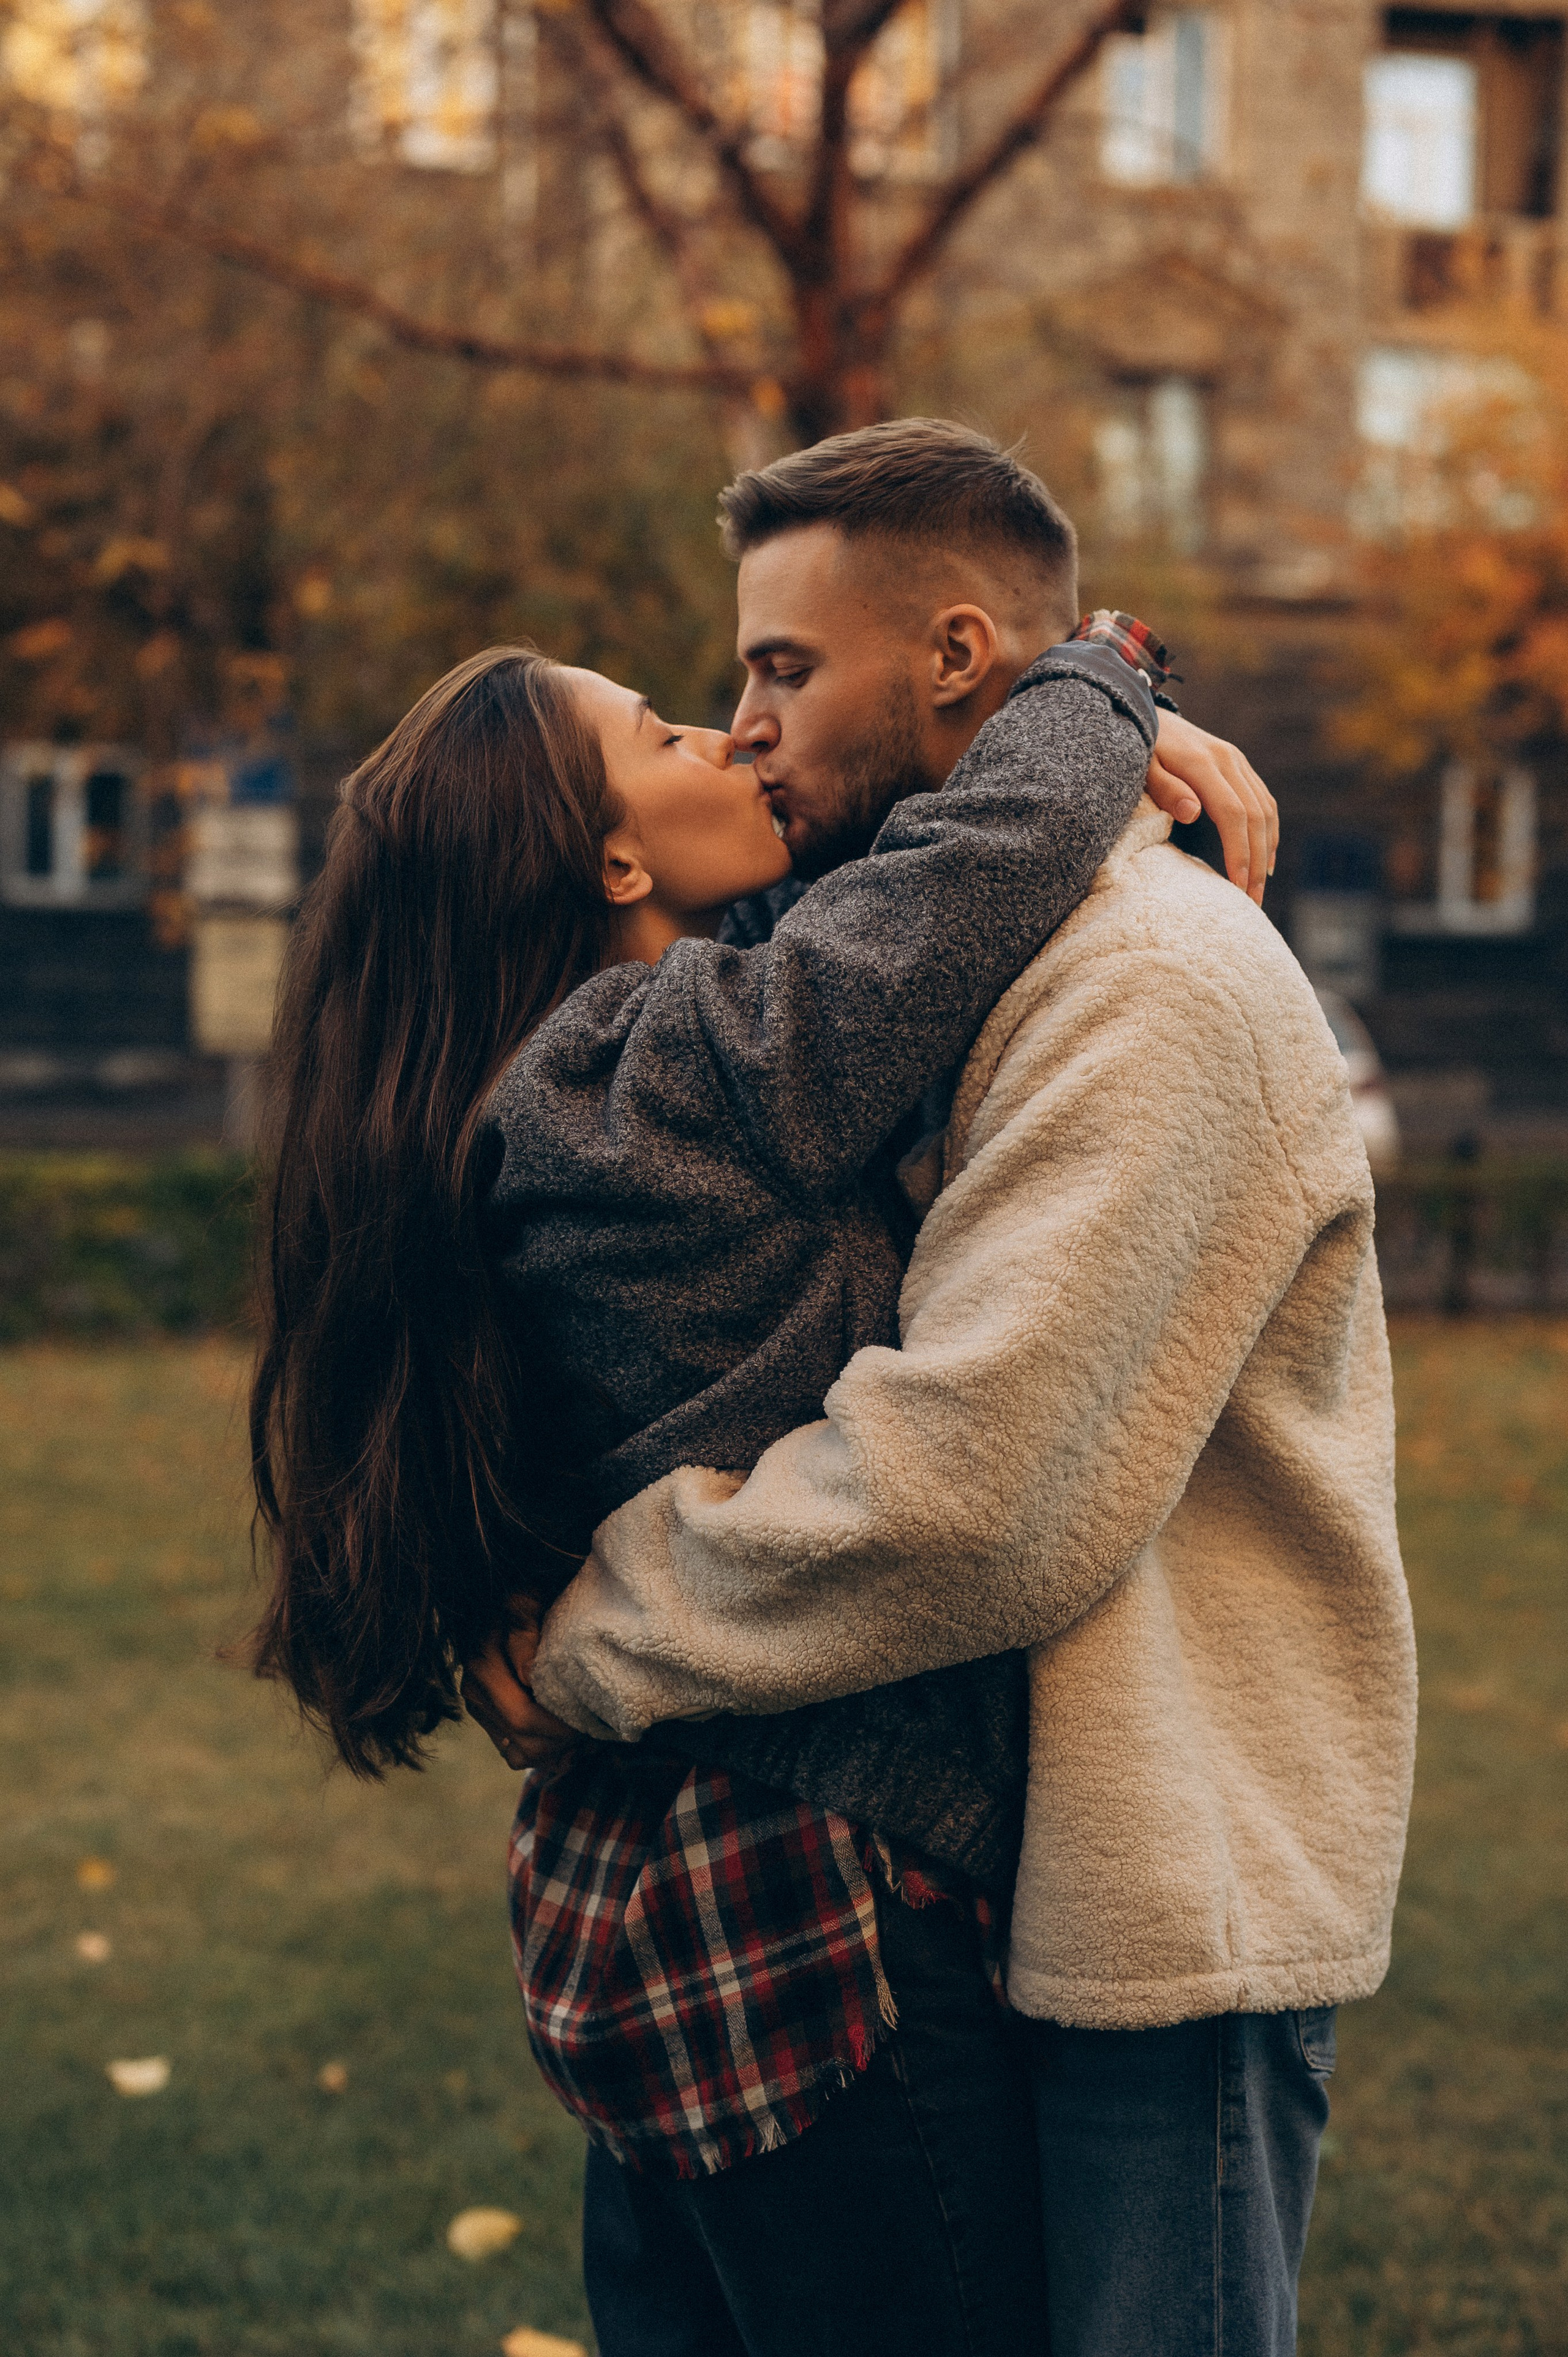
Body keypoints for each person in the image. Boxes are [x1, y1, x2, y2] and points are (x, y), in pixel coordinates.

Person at [250, 421, 1273, 2356]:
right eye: (668, 731)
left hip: (649, 1892)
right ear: (617, 855)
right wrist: (1106, 672)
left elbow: (904, 891)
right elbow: (947, 894)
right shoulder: (650, 1070)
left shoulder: (558, 1087)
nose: (732, 735)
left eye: (752, 686)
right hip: (806, 1896)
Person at [483, 423, 1420, 2357]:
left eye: (780, 671)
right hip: (1003, 1872)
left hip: (1163, 1895)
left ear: (959, 658)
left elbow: (970, 1497)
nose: (742, 729)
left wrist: (582, 1640)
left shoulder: (1150, 981)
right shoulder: (923, 945)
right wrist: (1110, 723)